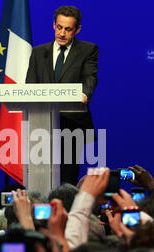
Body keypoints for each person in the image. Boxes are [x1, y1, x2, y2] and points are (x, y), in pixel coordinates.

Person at [26, 5, 99, 185]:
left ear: (77, 30)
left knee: (67, 177)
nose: (62, 33)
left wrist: (85, 94)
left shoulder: (88, 50)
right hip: (42, 124)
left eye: (68, 29)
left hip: (72, 122)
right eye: (59, 27)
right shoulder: (38, 53)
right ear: (53, 25)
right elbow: (30, 85)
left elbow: (90, 77)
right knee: (40, 176)